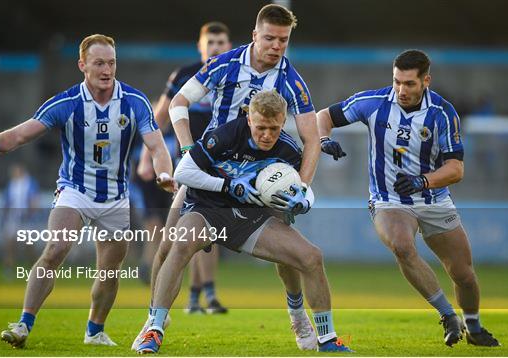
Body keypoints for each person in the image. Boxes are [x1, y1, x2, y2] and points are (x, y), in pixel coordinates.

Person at [133, 4, 322, 352]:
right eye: (269, 38)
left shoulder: (292, 80)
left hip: (264, 179)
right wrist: (189, 149)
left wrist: (302, 186)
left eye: (283, 40)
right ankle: (153, 321)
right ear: (254, 35)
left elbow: (312, 138)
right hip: (211, 170)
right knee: (169, 245)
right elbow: (177, 103)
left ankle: (297, 317)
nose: (276, 46)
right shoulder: (224, 65)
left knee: (289, 254)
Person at [0, 34, 176, 349]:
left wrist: (164, 172)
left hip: (115, 197)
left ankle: (94, 330)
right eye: (99, 63)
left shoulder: (133, 101)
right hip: (75, 191)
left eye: (111, 62)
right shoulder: (67, 103)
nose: (107, 69)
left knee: (109, 272)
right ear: (82, 65)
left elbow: (155, 144)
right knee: (55, 250)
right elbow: (24, 132)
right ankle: (23, 324)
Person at [137, 90, 352, 354]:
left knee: (312, 257)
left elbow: (301, 187)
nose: (267, 135)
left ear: (283, 122)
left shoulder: (286, 149)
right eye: (261, 127)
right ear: (249, 119)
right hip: (206, 209)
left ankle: (327, 339)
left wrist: (304, 201)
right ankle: (154, 328)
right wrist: (228, 186)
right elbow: (184, 171)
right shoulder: (226, 135)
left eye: (274, 128)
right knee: (178, 245)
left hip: (249, 219)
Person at [317, 49, 500, 347]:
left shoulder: (442, 113)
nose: (401, 90)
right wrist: (325, 139)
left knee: (463, 274)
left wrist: (421, 181)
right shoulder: (373, 102)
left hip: (434, 199)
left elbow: (456, 169)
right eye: (397, 82)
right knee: (402, 246)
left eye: (409, 84)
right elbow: (323, 116)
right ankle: (447, 315)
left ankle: (474, 327)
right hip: (389, 199)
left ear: (426, 80)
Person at [136, 22, 233, 315]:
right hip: (190, 165)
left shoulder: (235, 75)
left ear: (229, 47)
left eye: (221, 43)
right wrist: (145, 158)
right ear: (200, 47)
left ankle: (203, 295)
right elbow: (159, 118)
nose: (215, 48)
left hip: (223, 166)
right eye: (211, 43)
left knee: (210, 233)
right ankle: (183, 300)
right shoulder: (184, 76)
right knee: (180, 232)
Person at [1, 164, 40, 278]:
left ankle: (34, 269)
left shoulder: (30, 183)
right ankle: (8, 269)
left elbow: (34, 200)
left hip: (26, 220)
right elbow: (7, 201)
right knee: (10, 245)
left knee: (29, 246)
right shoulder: (12, 184)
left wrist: (31, 212)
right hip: (13, 219)